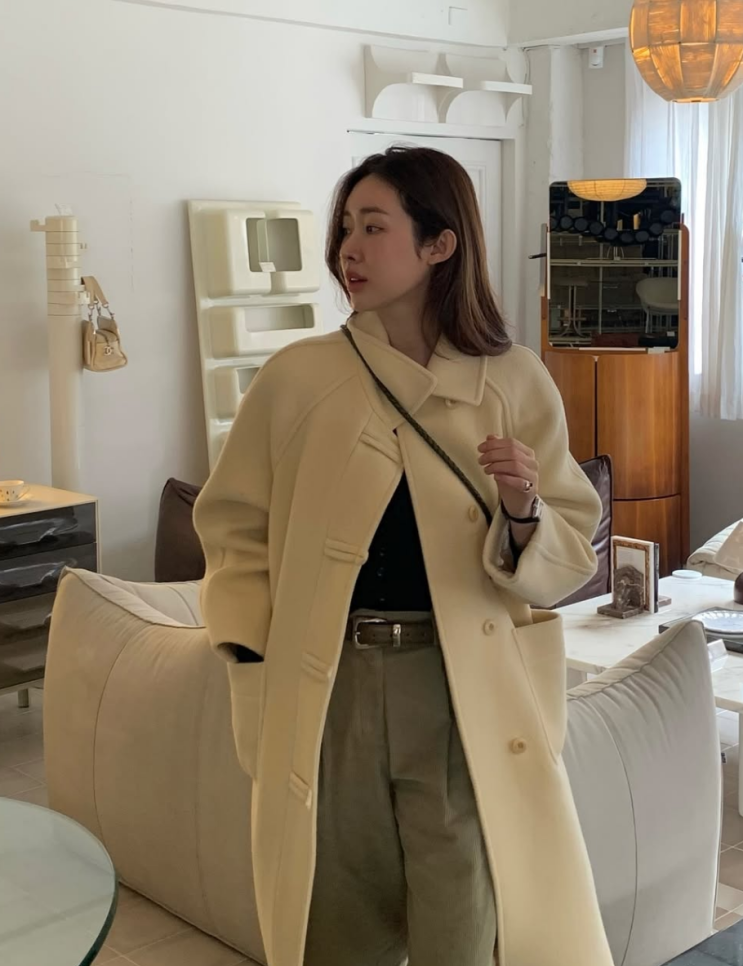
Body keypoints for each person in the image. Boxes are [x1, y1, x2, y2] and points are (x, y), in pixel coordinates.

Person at [193, 146, 613, 966]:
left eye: (373, 227)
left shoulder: (513, 379)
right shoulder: (296, 378)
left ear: (438, 244)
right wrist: (247, 653)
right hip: (332, 686)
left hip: (461, 690)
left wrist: (522, 509)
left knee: (462, 924)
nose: (347, 249)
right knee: (335, 924)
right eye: (345, 227)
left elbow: (569, 551)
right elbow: (234, 526)